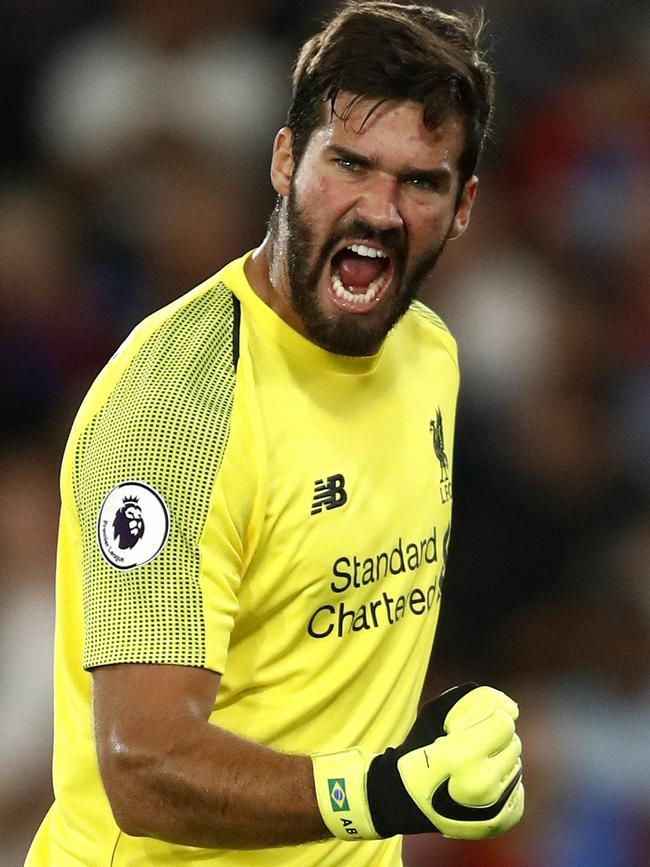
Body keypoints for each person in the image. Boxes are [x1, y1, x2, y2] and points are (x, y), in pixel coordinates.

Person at [26, 3, 524, 865]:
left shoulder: (429, 356)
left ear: (465, 203)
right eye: (351, 164)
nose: (380, 209)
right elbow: (141, 764)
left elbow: (326, 636)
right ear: (285, 159)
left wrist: (432, 741)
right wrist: (390, 789)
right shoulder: (178, 410)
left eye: (421, 181)